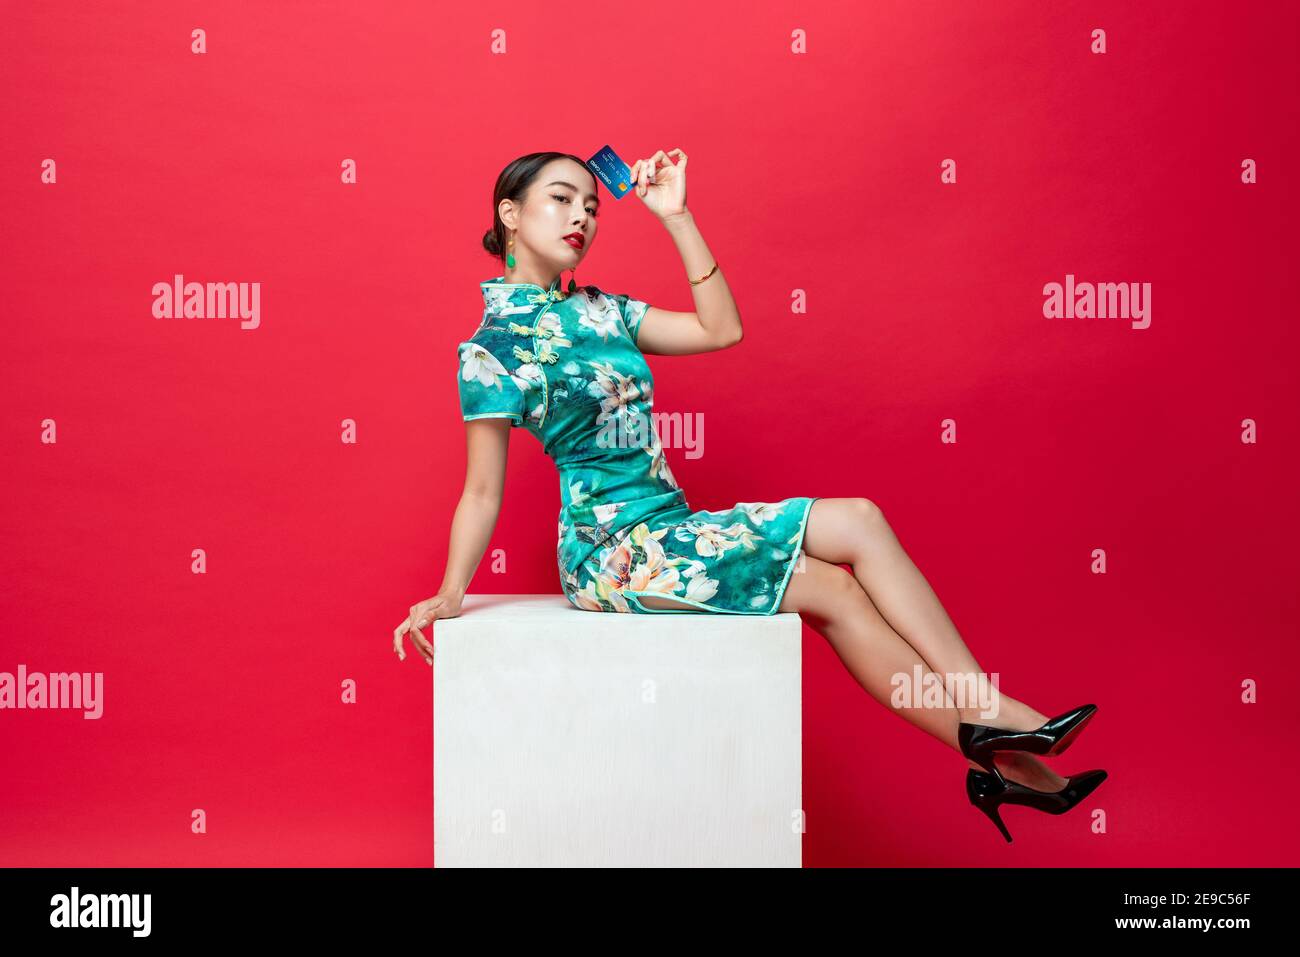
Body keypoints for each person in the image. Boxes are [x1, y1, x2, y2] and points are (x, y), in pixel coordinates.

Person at [393, 148, 1107, 841]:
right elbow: (482, 491)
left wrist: (676, 215)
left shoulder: (604, 311)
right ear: (509, 214)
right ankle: (994, 743)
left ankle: (991, 725)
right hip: (610, 554)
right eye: (561, 198)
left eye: (590, 204)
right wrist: (452, 591)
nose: (582, 215)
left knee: (860, 519)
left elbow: (720, 329)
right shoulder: (491, 350)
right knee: (828, 588)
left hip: (670, 524)